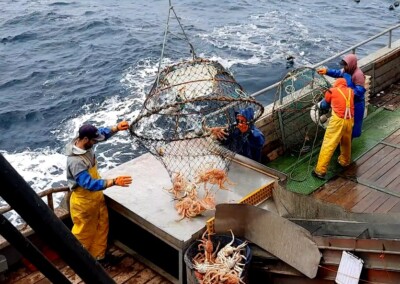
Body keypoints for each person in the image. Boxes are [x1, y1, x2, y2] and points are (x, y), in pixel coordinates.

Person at [65, 121, 133, 262]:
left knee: (102, 226)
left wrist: (116, 128)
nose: (96, 142)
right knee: (84, 233)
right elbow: (88, 183)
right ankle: (81, 262)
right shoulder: (75, 161)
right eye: (93, 140)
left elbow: (102, 133)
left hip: (96, 198)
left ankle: (99, 258)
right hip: (83, 202)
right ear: (85, 140)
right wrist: (113, 182)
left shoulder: (85, 142)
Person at [313, 78, 354, 179]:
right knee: (346, 142)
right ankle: (344, 161)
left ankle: (320, 170)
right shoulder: (350, 91)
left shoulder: (331, 91)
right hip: (349, 120)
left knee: (328, 144)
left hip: (338, 121)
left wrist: (321, 102)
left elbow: (324, 105)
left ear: (336, 84)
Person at [317, 54, 366, 138]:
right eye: (344, 65)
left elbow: (359, 91)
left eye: (346, 65)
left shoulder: (358, 75)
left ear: (351, 64)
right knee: (345, 125)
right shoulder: (346, 71)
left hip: (356, 104)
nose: (344, 67)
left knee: (354, 128)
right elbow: (338, 73)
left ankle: (348, 142)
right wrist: (327, 71)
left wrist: (345, 94)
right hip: (347, 101)